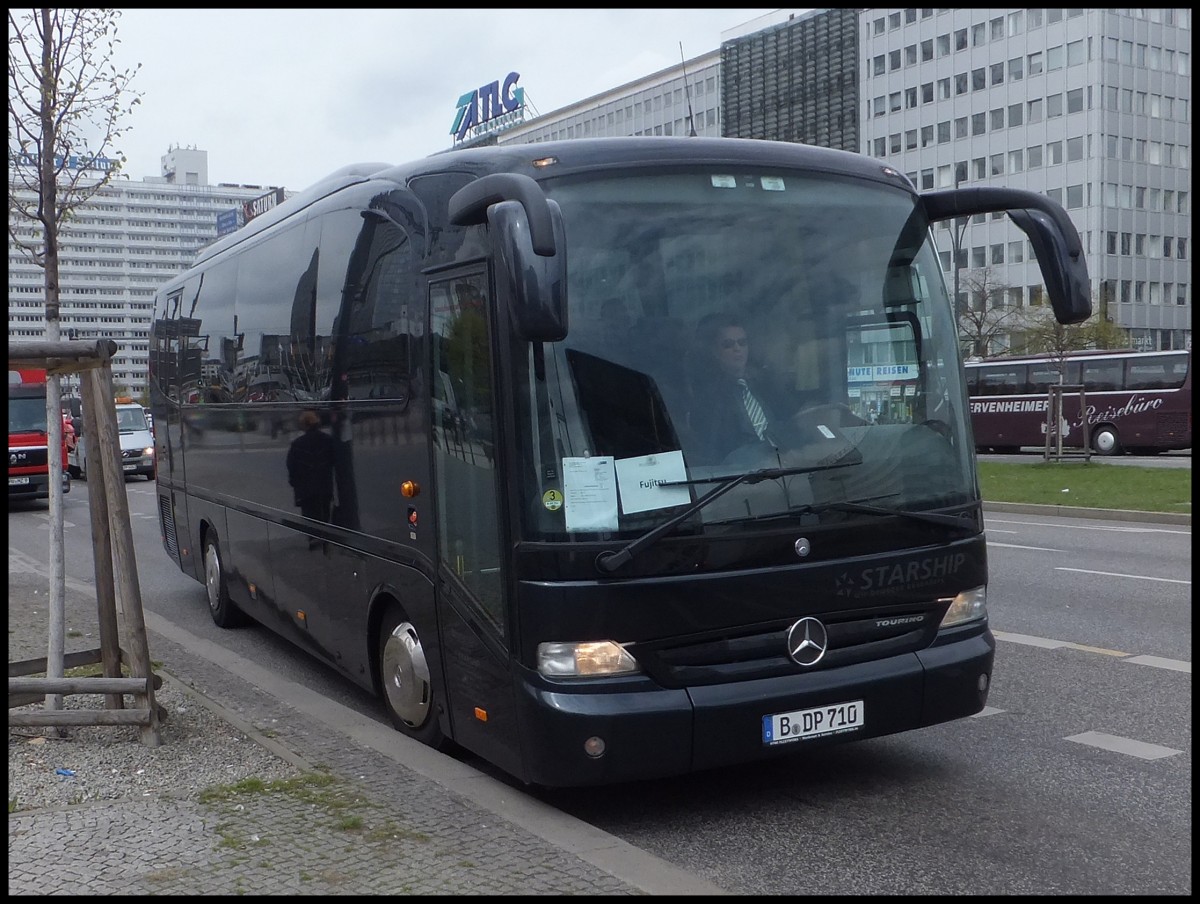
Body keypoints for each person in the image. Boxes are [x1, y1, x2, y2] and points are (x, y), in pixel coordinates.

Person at [685, 313, 789, 465]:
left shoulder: (766, 384)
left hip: (787, 463)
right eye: (728, 344)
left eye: (742, 343)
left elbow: (792, 419)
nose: (737, 348)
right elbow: (716, 452)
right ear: (713, 351)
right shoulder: (707, 400)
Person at [286, 409, 336, 522]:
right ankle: (324, 537)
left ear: (303, 425)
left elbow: (292, 466)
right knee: (324, 516)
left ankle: (314, 538)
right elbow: (333, 461)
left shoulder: (297, 444)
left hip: (306, 490)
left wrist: (294, 482)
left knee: (310, 519)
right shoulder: (328, 440)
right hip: (324, 487)